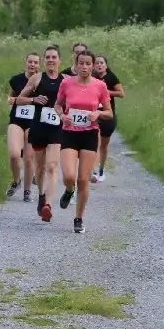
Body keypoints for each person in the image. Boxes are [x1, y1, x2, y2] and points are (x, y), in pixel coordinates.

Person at [54, 50, 111, 234]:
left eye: (88, 63)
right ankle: (69, 190)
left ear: (93, 66)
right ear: (76, 65)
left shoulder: (100, 86)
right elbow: (57, 105)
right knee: (69, 177)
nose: (84, 67)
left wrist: (98, 113)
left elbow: (109, 113)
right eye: (81, 63)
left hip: (89, 134)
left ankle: (78, 219)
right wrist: (62, 116)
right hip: (69, 133)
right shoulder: (66, 83)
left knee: (83, 179)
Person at [14, 45, 66, 222]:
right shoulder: (37, 78)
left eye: (54, 57)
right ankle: (42, 195)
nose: (51, 60)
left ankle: (48, 205)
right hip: (39, 128)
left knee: (52, 166)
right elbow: (19, 100)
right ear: (44, 61)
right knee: (41, 167)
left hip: (57, 128)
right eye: (48, 57)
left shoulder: (66, 80)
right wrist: (33, 99)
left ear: (60, 60)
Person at [6, 52, 41, 201]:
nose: (32, 64)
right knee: (14, 154)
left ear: (39, 65)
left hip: (34, 122)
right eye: (30, 61)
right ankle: (16, 181)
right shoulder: (17, 79)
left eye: (35, 62)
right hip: (17, 120)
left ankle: (27, 191)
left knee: (28, 158)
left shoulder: (42, 81)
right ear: (25, 62)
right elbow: (11, 97)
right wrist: (13, 100)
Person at [92, 55, 125, 183]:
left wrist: (105, 92)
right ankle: (94, 171)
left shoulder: (111, 77)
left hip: (107, 115)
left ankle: (101, 169)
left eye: (102, 63)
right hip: (94, 115)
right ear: (93, 65)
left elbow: (121, 93)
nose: (99, 65)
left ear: (106, 65)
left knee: (104, 145)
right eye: (97, 63)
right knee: (95, 142)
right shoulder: (91, 77)